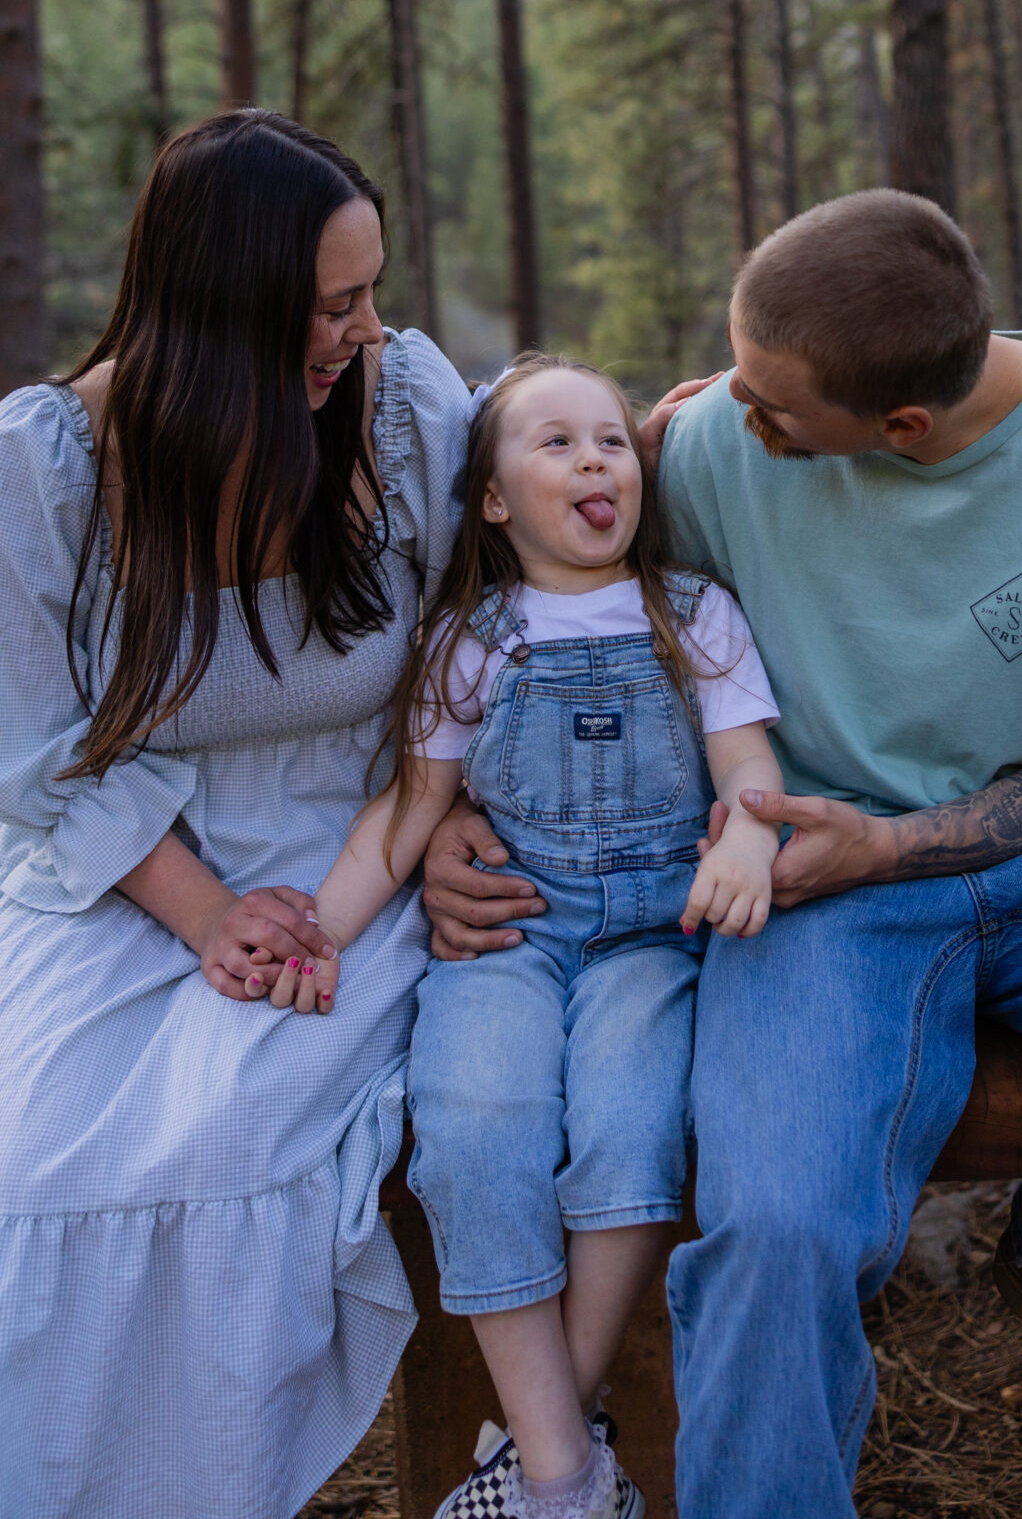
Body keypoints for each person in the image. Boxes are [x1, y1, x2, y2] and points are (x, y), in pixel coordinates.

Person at [421, 189, 1022, 1519]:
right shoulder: (711, 437)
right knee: (776, 1236)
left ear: (898, 429)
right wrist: (451, 818)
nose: (728, 419)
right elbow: (549, 589)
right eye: (735, 376)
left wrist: (892, 842)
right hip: (803, 877)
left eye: (771, 409)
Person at [0, 112, 475, 1519]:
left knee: (230, 1137)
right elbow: (32, 754)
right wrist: (206, 912)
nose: (365, 329)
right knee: (43, 1174)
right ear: (223, 304)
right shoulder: (40, 466)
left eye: (371, 290)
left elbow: (479, 643)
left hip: (356, 851)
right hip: (118, 869)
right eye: (333, 304)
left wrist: (445, 817)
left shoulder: (403, 413)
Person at [278, 352, 781, 1519]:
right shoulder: (473, 634)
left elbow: (746, 758)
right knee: (474, 1127)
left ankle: (545, 1451)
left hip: (655, 936)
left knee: (631, 1125)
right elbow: (407, 812)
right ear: (494, 499)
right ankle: (565, 1473)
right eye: (553, 442)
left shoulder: (694, 612)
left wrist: (750, 835)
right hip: (514, 931)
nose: (593, 457)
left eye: (610, 438)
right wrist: (323, 930)